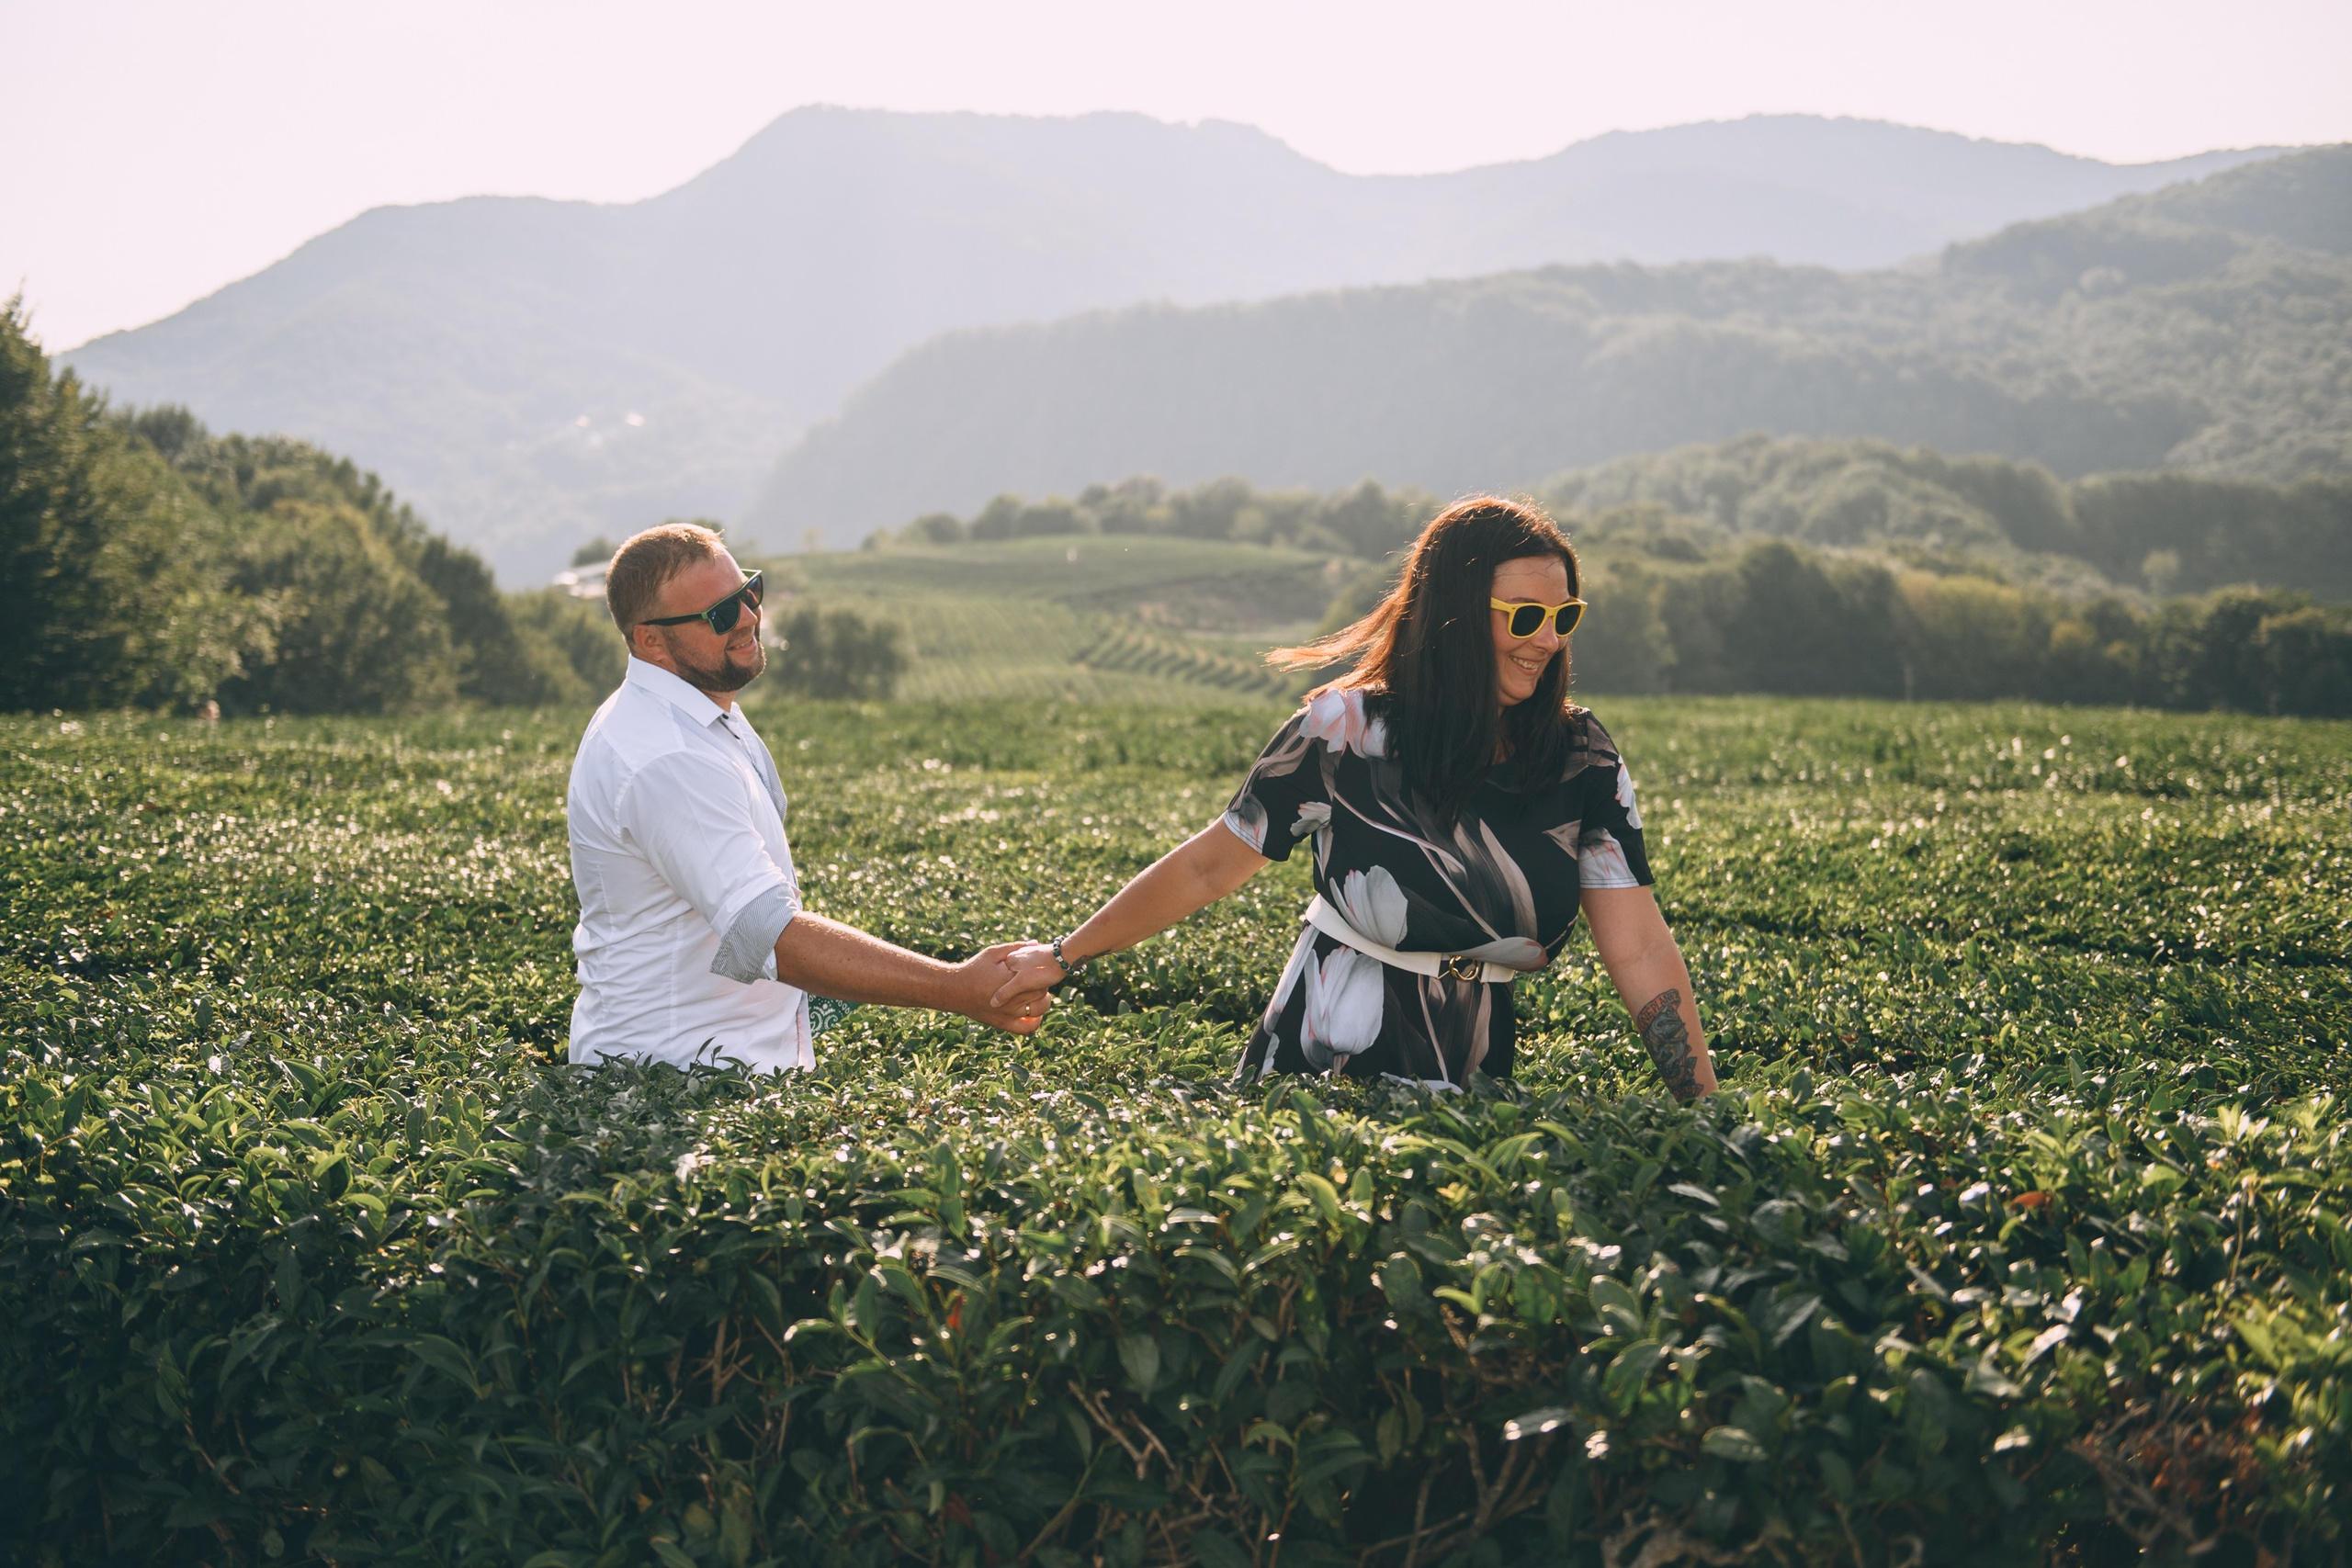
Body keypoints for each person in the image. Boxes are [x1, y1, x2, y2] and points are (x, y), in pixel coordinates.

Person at [994, 497, 1716, 1098]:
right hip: (1326, 1050)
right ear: (1456, 613)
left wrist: (1703, 1108)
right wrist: (1064, 955)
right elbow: (1208, 867)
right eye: (1525, 616)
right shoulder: (1344, 732)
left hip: (1478, 1058)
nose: (1549, 640)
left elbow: (1642, 946)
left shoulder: (1581, 757)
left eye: (1566, 617)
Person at [568, 523, 1046, 1071]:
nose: (748, 617)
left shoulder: (696, 706)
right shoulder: (670, 760)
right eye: (720, 614)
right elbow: (767, 934)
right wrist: (954, 986)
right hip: (677, 1075)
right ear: (651, 639)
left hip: (715, 1059)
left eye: (749, 592)